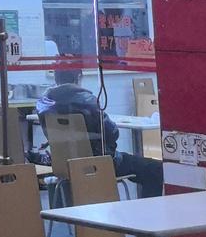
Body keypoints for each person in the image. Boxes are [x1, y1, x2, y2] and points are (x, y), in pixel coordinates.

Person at [35, 65, 162, 197]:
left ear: (55, 78)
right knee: (155, 168)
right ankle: (148, 209)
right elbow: (112, 133)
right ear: (78, 77)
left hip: (64, 164)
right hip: (98, 163)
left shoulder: (43, 104)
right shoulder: (87, 101)